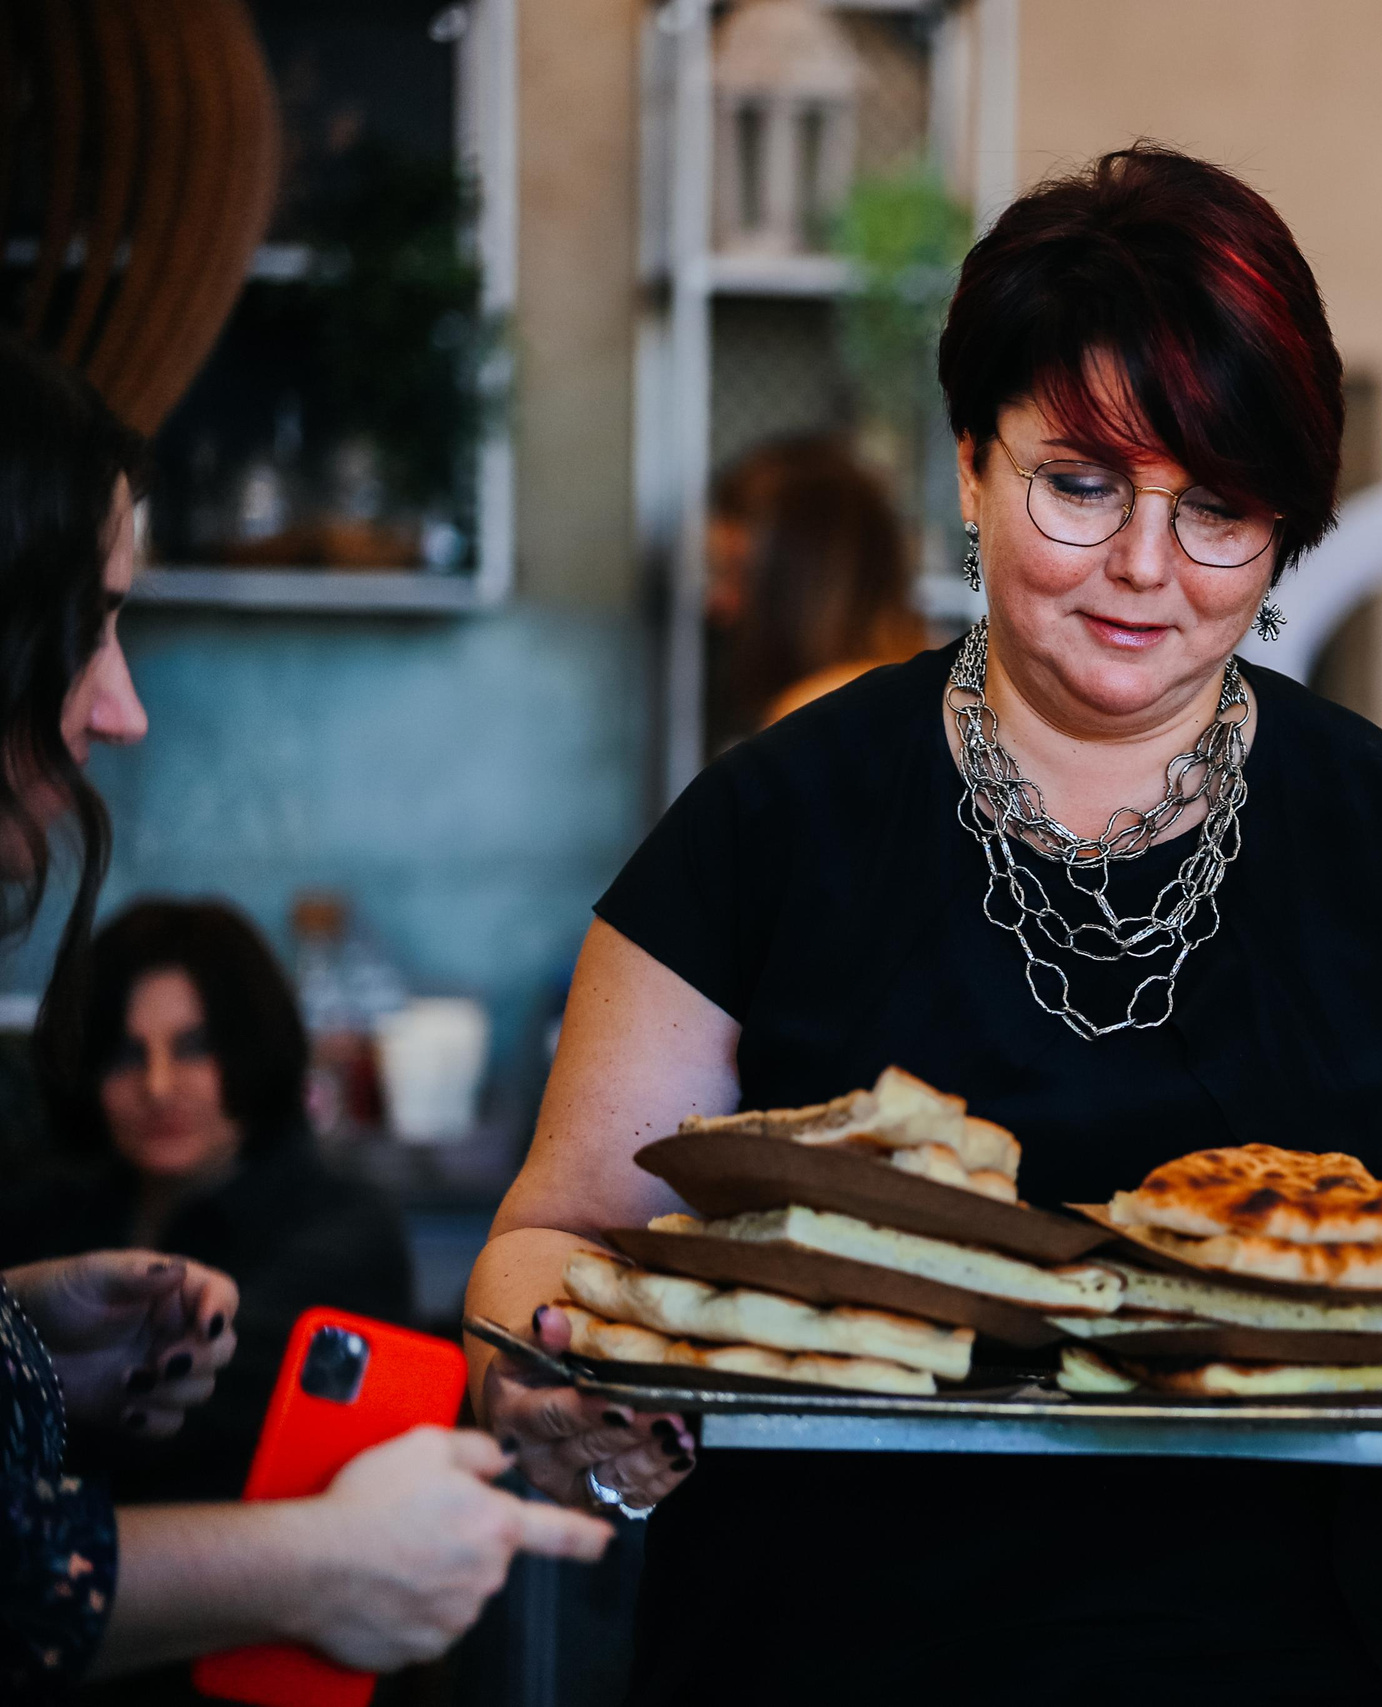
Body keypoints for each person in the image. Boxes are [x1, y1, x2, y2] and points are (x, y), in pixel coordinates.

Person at [467, 145, 1382, 1707]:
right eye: (1080, 483)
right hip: (819, 1661)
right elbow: (549, 1239)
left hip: (1298, 1667)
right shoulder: (768, 820)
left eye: (1217, 507)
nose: (1145, 565)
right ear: (970, 465)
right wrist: (553, 1374)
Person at [0, 333, 613, 1701]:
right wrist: (322, 1562)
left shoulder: (325, 1229)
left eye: (196, 1046)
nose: (124, 708)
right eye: (91, 625)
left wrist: (20, 1344)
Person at [0, 898, 413, 1510]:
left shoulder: (346, 1231)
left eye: (193, 1048)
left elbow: (176, 1428)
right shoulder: (46, 1206)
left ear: (256, 1051)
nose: (159, 1086)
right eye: (126, 1054)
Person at [702, 434, 927, 745]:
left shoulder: (817, 712)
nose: (716, 603)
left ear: (805, 581)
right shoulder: (926, 684)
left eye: (737, 573)